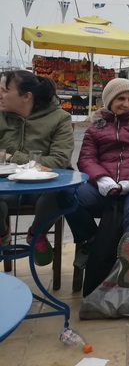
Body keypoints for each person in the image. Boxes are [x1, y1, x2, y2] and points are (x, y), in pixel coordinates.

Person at [63, 78, 129, 288]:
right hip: (105, 186)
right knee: (67, 193)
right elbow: (86, 158)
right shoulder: (96, 127)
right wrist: (102, 179)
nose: (127, 104)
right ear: (109, 101)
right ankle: (90, 241)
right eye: (121, 98)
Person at [0, 70, 74, 266]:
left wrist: (12, 157)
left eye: (5, 90)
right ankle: (1, 234)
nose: (0, 95)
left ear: (26, 96)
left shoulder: (60, 118)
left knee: (64, 193)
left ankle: (37, 233)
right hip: (5, 186)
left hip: (43, 187)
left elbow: (59, 161)